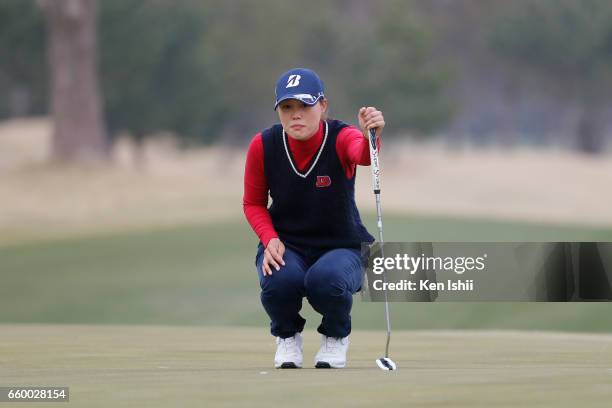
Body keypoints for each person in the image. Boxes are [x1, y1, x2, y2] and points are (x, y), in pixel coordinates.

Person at [243, 68, 385, 368]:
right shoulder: (264, 145)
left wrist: (371, 134)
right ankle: (287, 337)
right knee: (278, 281)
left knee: (326, 280)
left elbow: (362, 154)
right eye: (287, 107)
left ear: (323, 105)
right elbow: (253, 204)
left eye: (305, 106)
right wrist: (269, 240)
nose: (296, 115)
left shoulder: (341, 136)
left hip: (343, 246)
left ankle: (335, 337)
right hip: (287, 244)